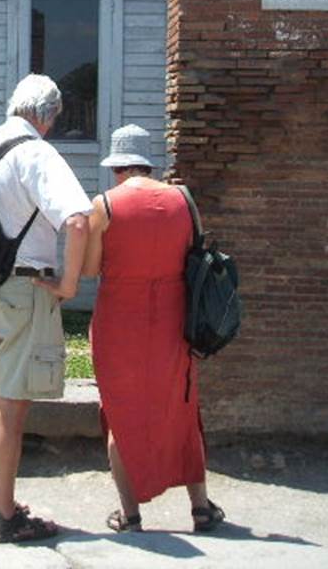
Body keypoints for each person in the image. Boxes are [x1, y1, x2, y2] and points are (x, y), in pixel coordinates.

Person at [0, 74, 91, 543]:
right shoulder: (37, 153)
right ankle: (7, 517)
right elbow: (77, 221)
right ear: (48, 115)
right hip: (22, 289)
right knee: (12, 411)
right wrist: (69, 285)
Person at [78, 123, 224, 533]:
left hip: (119, 320)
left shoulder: (103, 205)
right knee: (182, 407)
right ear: (148, 163)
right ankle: (200, 509)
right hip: (174, 318)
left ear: (117, 167)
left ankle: (131, 515)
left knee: (121, 413)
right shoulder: (183, 199)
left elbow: (90, 270)